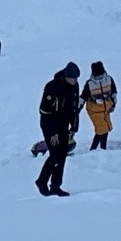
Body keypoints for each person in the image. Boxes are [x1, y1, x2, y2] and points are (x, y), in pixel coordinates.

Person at [36, 62, 80, 197]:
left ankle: (56, 185)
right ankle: (42, 181)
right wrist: (53, 132)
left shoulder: (74, 86)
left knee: (62, 154)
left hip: (64, 124)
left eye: (77, 78)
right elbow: (44, 110)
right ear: (66, 76)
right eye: (73, 78)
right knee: (55, 154)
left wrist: (74, 126)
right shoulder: (52, 86)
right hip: (50, 123)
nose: (75, 81)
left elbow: (74, 107)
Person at [82, 61, 118, 150]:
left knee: (106, 129)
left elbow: (114, 92)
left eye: (101, 75)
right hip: (94, 110)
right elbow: (84, 95)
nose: (100, 78)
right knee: (102, 130)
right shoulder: (89, 83)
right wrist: (78, 106)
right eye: (98, 76)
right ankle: (100, 149)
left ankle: (97, 149)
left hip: (106, 108)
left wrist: (113, 105)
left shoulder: (109, 79)